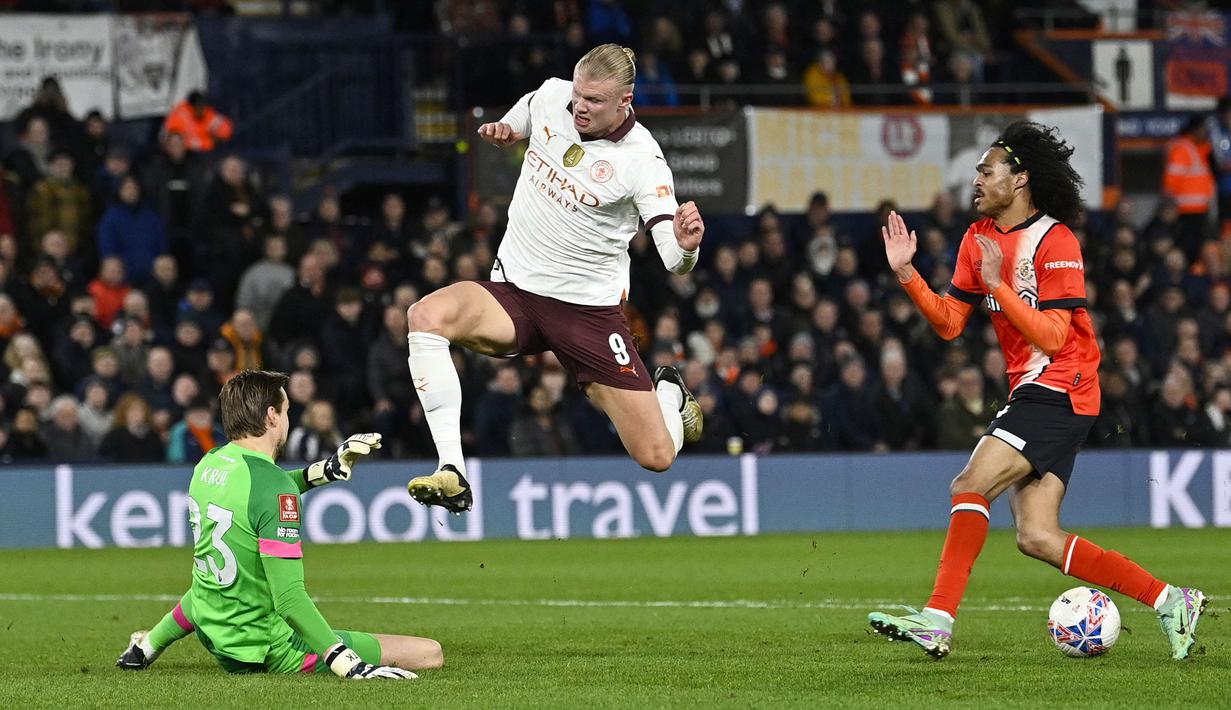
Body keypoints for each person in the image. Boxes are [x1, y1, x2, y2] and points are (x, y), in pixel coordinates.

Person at [868, 120, 1207, 660]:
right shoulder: (976, 239)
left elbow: (1054, 335)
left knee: (969, 483)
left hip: (1064, 384)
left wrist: (1000, 283)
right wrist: (908, 274)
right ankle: (1171, 599)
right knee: (1037, 536)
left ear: (1019, 179)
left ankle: (937, 618)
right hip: (1035, 388)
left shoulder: (1056, 240)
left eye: (987, 170)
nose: (976, 180)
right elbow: (951, 322)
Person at [404, 44, 705, 514]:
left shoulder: (643, 162)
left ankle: (667, 391)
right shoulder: (552, 97)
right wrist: (508, 127)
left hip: (588, 316)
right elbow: (526, 111)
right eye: (579, 95)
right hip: (515, 293)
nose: (580, 106)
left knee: (657, 456)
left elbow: (672, 259)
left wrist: (687, 246)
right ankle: (452, 471)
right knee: (424, 315)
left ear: (626, 100)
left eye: (595, 101)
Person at [116, 369, 439, 678]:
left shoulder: (210, 463)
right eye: (286, 411)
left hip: (215, 634)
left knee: (211, 580)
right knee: (430, 652)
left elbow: (260, 494)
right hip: (266, 647)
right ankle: (339, 657)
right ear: (271, 416)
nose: (287, 419)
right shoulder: (272, 487)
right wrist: (347, 663)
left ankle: (146, 646)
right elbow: (289, 600)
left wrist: (324, 471)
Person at [162, 91, 234, 153]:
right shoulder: (178, 115)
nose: (201, 110)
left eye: (202, 106)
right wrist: (208, 142)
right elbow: (177, 142)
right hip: (184, 154)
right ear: (190, 106)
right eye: (198, 107)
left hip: (205, 152)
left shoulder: (207, 112)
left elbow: (226, 128)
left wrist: (217, 137)